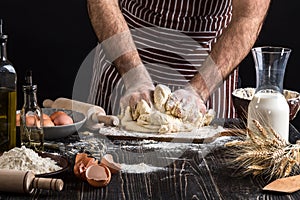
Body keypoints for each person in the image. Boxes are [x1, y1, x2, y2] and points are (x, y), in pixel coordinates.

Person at [86, 0, 271, 121]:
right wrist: (134, 76)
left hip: (208, 65)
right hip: (126, 54)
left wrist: (199, 90)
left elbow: (248, 18)